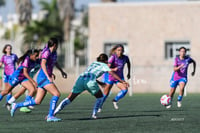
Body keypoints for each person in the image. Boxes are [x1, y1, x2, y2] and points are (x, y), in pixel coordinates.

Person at [53, 53, 129, 119]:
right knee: (100, 97)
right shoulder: (104, 65)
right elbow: (111, 73)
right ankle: (94, 114)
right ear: (106, 61)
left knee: (69, 98)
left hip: (80, 79)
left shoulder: (93, 63)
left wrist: (99, 83)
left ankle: (54, 113)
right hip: (90, 82)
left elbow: (91, 74)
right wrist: (122, 81)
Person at [10, 37, 67, 122]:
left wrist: (62, 71)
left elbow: (55, 62)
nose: (58, 46)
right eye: (57, 45)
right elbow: (43, 64)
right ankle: (50, 116)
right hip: (43, 78)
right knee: (57, 94)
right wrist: (48, 76)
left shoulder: (54, 53)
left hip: (44, 78)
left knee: (37, 101)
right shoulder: (46, 52)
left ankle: (16, 105)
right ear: (55, 45)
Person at [99, 44, 131, 112]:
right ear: (115, 51)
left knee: (125, 89)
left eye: (122, 50)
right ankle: (100, 106)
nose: (120, 52)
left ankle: (115, 100)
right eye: (118, 50)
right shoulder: (112, 57)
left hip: (119, 77)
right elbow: (107, 68)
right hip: (110, 76)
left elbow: (128, 63)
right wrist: (113, 69)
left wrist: (129, 73)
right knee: (106, 94)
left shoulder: (125, 58)